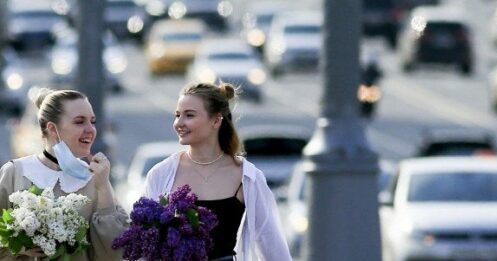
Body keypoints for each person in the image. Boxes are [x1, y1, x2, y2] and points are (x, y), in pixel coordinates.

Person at [143, 82, 292, 261]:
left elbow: (272, 245)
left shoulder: (248, 177)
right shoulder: (161, 174)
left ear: (216, 120)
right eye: (177, 115)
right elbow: (144, 243)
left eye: (189, 115)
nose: (179, 123)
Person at [0, 88, 128, 260]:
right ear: (53, 129)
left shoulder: (94, 179)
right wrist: (17, 248)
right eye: (79, 122)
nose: (91, 129)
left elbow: (115, 252)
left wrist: (103, 186)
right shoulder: (15, 172)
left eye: (92, 121)